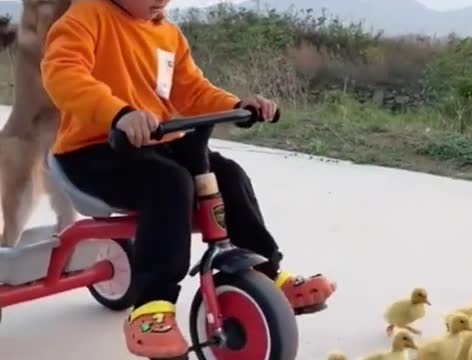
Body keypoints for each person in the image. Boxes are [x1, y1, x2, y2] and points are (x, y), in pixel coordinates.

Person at [40, 0, 337, 358]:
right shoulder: (88, 15)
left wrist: (237, 105)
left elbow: (192, 91)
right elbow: (63, 73)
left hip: (156, 145)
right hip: (93, 150)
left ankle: (267, 275)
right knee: (169, 184)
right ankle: (150, 308)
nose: (162, 1)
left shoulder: (167, 33)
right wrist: (118, 114)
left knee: (227, 174)